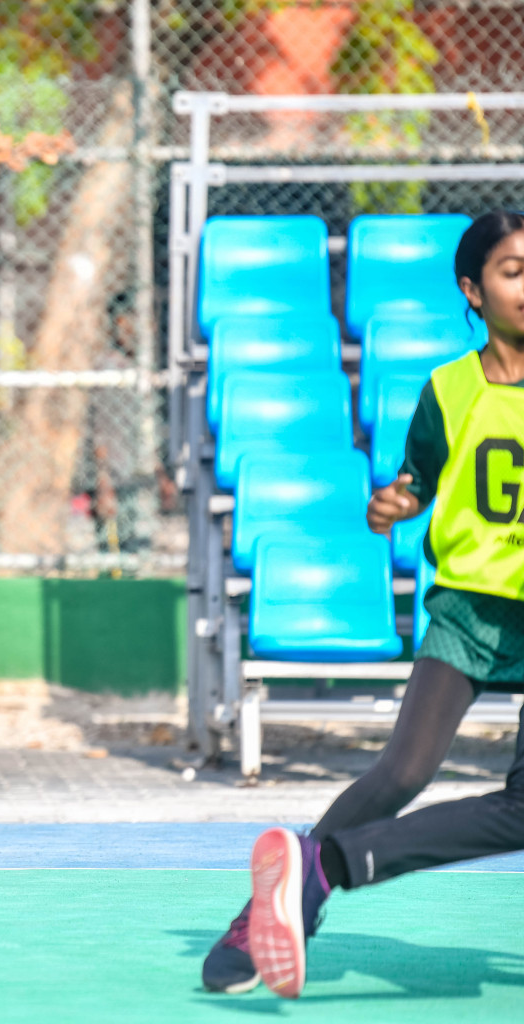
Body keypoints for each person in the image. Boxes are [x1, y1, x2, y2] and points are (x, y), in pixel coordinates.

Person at [204, 210, 524, 998]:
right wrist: (394, 505)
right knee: (402, 772)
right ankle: (282, 902)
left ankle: (315, 872)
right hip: (468, 613)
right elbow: (416, 481)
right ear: (472, 292)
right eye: (514, 270)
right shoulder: (448, 389)